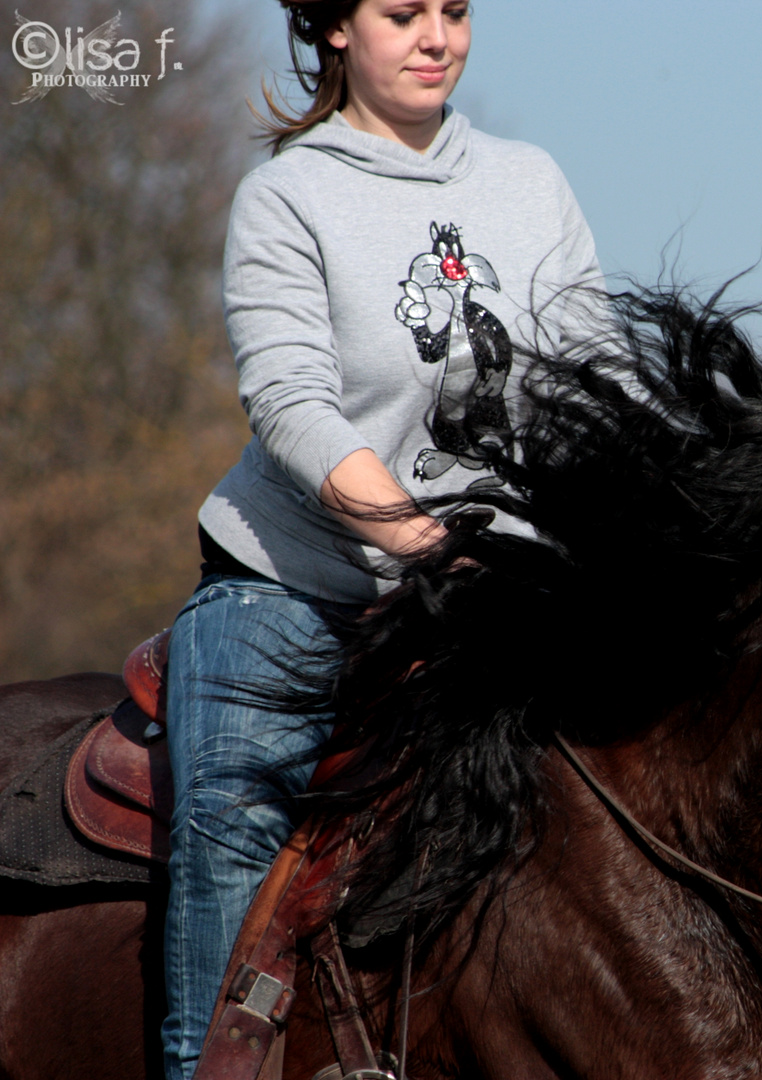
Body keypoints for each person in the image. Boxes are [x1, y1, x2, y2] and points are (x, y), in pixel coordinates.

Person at [161, 1, 604, 1076]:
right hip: (296, 594)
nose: (436, 36)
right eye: (403, 12)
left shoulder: (530, 184)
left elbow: (597, 379)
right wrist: (421, 540)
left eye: (454, 11)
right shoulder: (289, 196)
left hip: (492, 599)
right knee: (228, 828)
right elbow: (293, 405)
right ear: (333, 29)